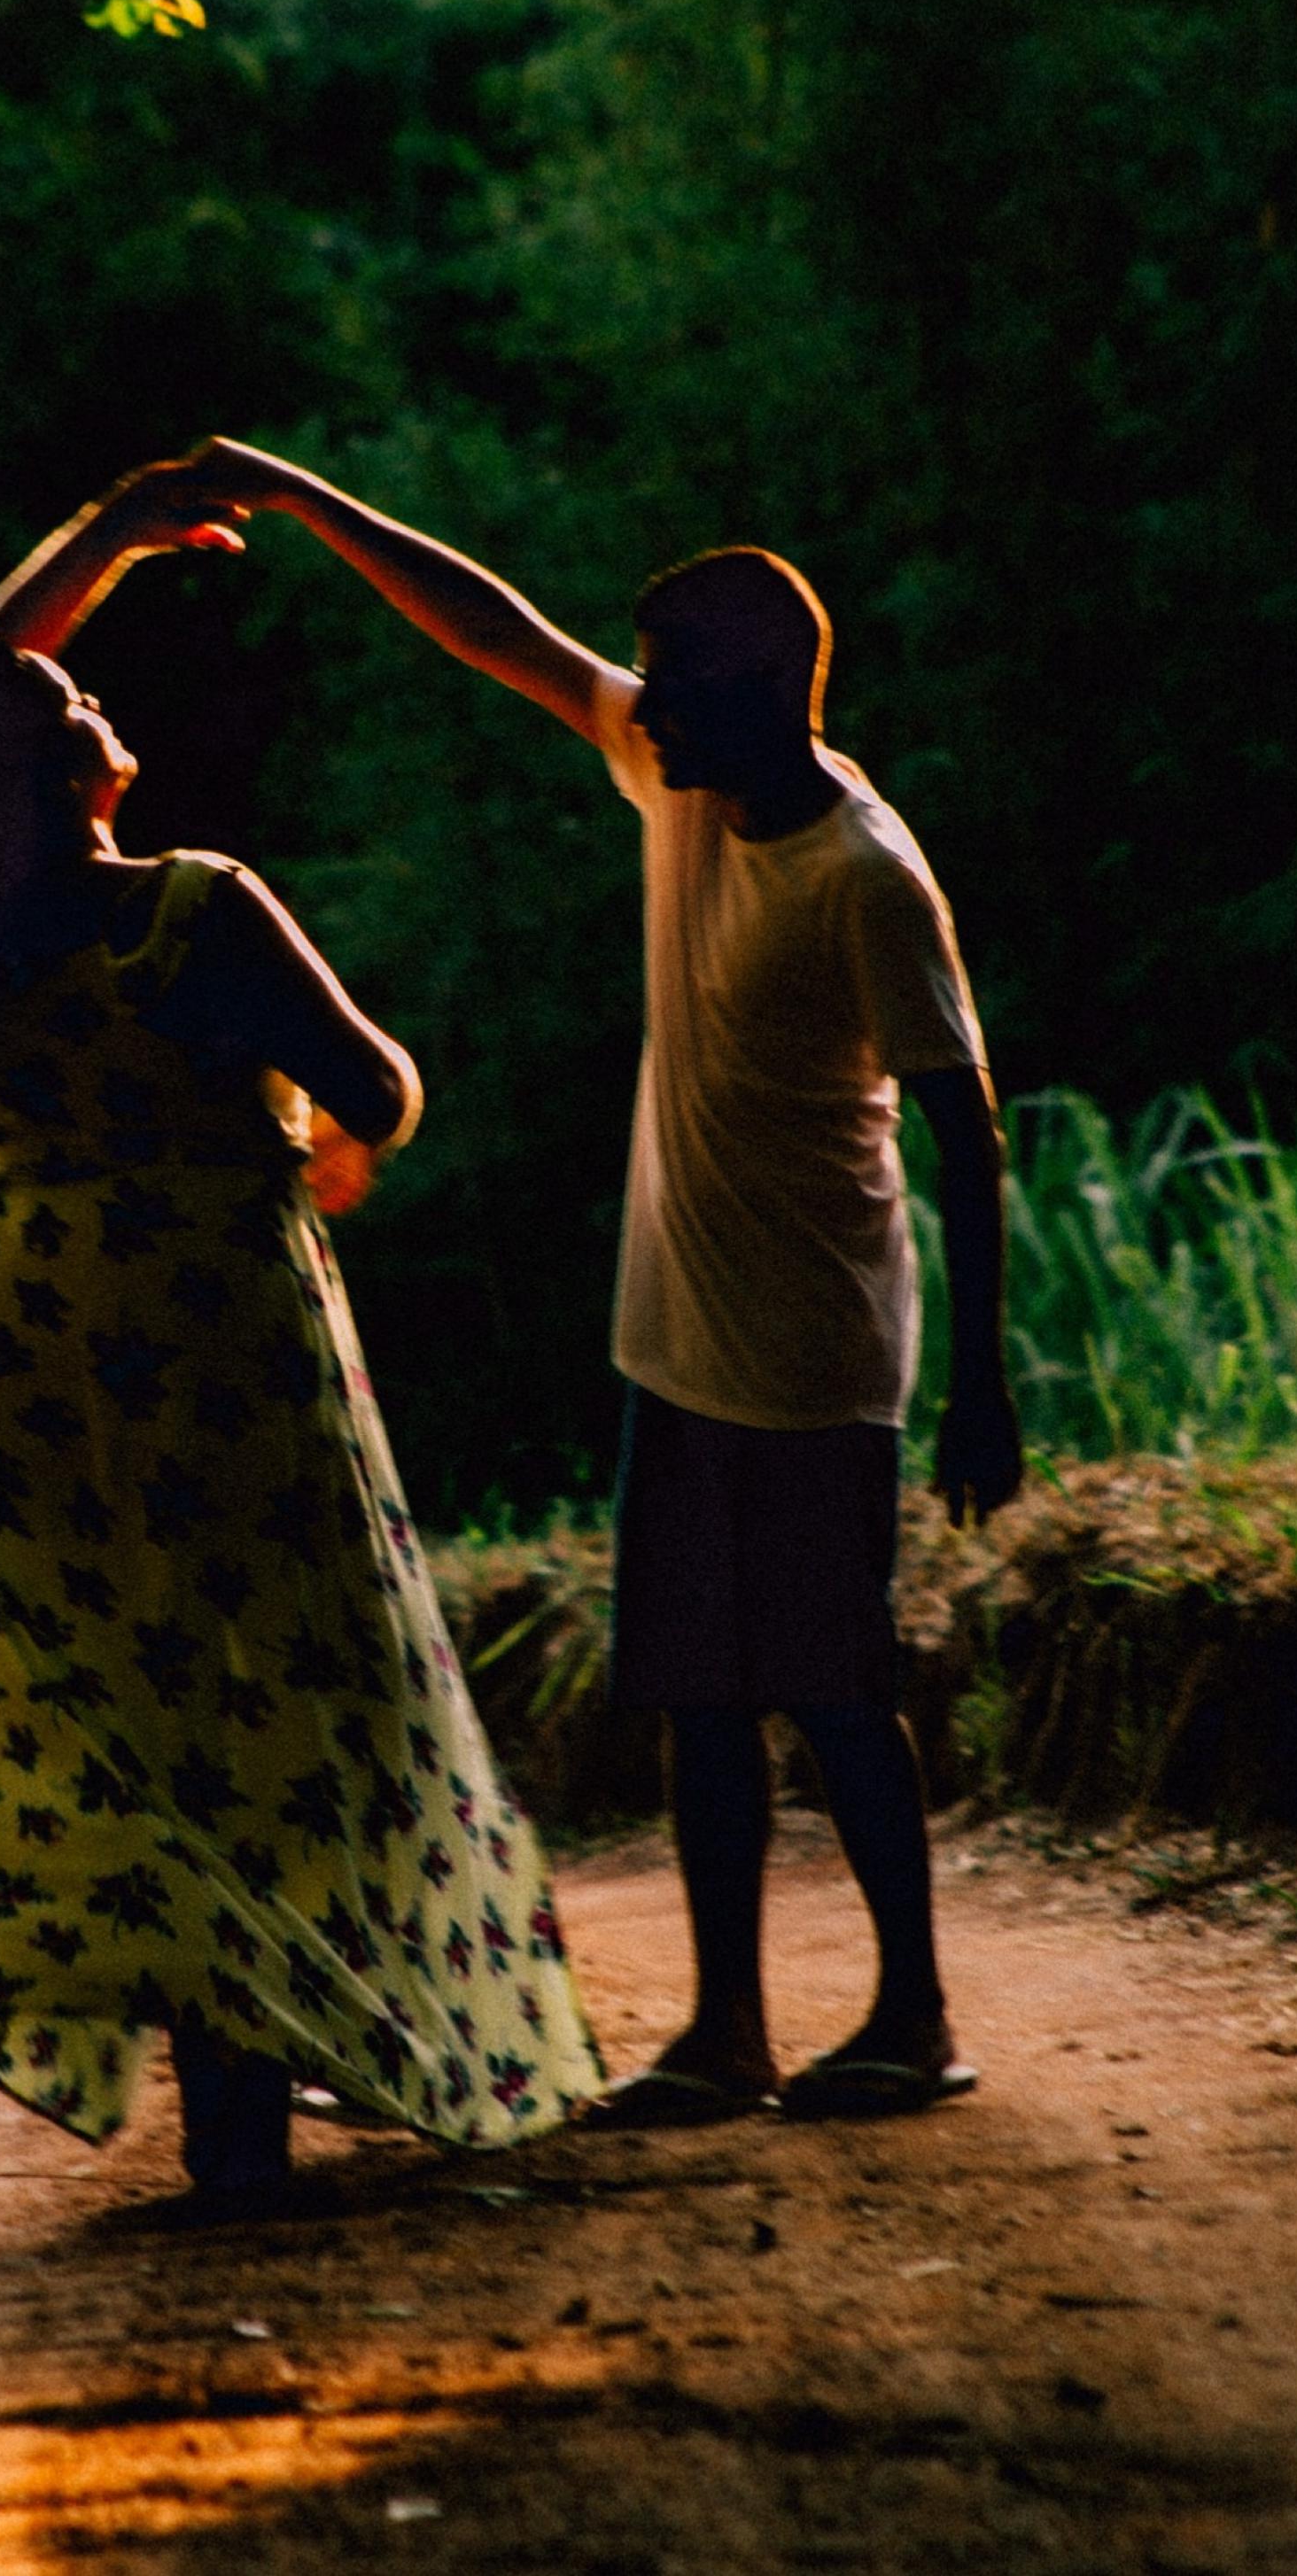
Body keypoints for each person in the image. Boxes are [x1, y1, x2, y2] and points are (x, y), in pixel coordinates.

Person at [0, 467, 603, 2210]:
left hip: (37, 1319)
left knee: (131, 1690)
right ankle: (325, 2029)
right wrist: (334, 1143)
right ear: (71, 773)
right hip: (219, 1311)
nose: (92, 689)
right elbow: (378, 1081)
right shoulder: (201, 906)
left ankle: (226, 2086)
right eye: (76, 696)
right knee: (300, 1662)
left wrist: (103, 541)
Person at [164, 438, 1022, 2125]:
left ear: (768, 694)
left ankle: (914, 2018)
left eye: (679, 689)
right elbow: (500, 635)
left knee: (835, 1689)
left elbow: (967, 1130)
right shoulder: (679, 776)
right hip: (674, 1336)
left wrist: (982, 1379)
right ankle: (725, 2036)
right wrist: (317, 507)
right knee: (699, 1693)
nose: (645, 713)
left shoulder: (865, 877)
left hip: (813, 1349)